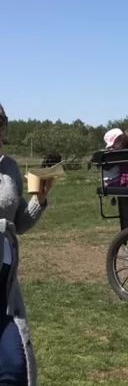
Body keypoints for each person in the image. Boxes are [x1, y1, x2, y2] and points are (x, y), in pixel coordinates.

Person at [0, 103, 47, 385]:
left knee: (15, 369)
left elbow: (19, 223)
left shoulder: (10, 168)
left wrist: (39, 201)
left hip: (4, 290)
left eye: (0, 120)